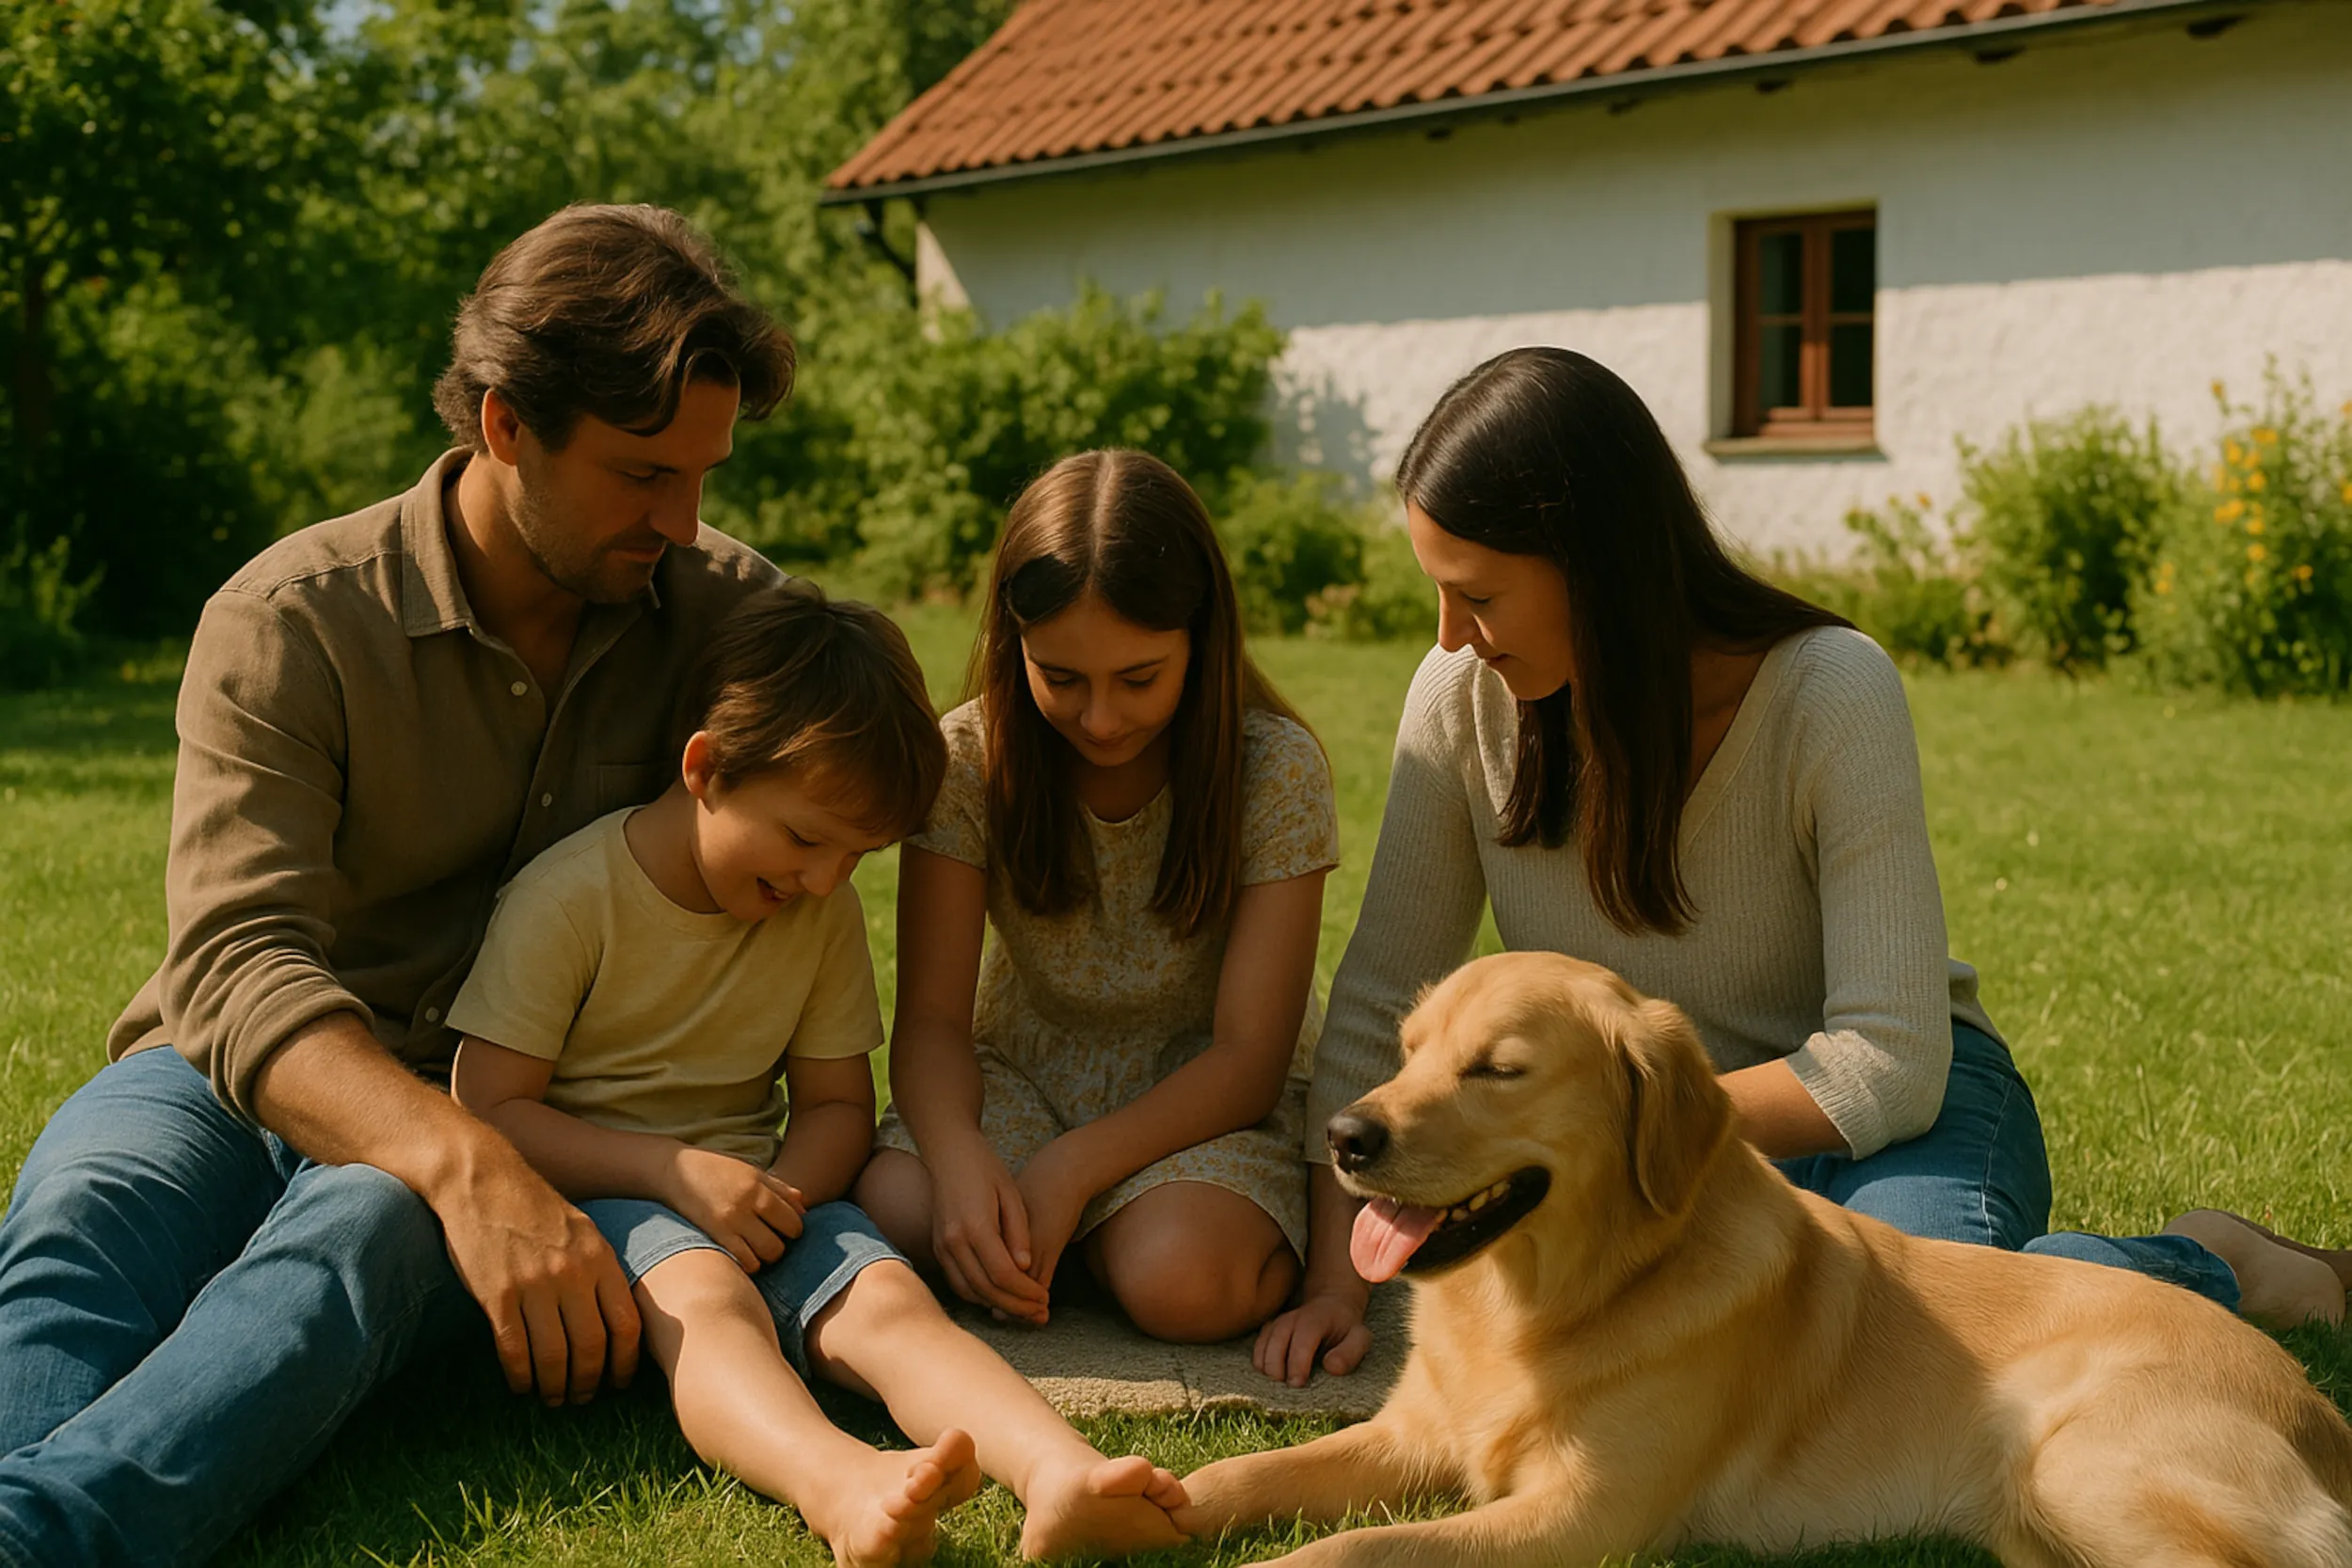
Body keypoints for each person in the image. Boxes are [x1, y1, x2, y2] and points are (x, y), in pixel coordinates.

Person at [1256, 345, 2350, 1387]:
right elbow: (1377, 1000)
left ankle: (2214, 1264)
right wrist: (1338, 1283)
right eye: (1439, 591)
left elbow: (1891, 1059)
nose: (1450, 633)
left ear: (1598, 565)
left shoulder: (1831, 690)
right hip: (1658, 1146)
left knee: (1919, 1359)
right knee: (1712, 1378)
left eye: (1480, 595)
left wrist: (1639, 1127)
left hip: (1890, 1123)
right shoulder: (1460, 701)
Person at [0, 204, 798, 1566]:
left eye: (704, 476)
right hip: (221, 1071)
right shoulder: (292, 617)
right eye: (642, 474)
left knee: (363, 1224)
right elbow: (237, 962)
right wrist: (463, 1159)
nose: (682, 519)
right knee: (86, 1210)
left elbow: (886, 765)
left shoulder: (730, 619)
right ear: (504, 424)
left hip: (521, 1104)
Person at [447, 583, 1186, 1565]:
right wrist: (674, 1173)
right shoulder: (570, 899)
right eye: (805, 837)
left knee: (889, 1300)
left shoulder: (815, 909)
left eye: (857, 855)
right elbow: (488, 1107)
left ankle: (1061, 1472)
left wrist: (782, 1197)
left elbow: (838, 1103)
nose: (825, 879)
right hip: (602, 1200)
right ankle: (837, 1481)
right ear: (705, 768)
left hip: (765, 1193)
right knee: (708, 1293)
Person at [854, 450, 1337, 1343]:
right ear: (1015, 645)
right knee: (895, 1205)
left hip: (1204, 1096)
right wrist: (959, 1161)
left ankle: (1108, 1238)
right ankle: (1082, 1244)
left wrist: (1072, 1169)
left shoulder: (1274, 769)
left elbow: (1249, 1058)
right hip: (1025, 1075)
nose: (1102, 718)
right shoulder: (968, 760)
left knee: (1180, 1279)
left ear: (1201, 639)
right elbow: (929, 1023)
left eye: (1140, 678)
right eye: (1062, 678)